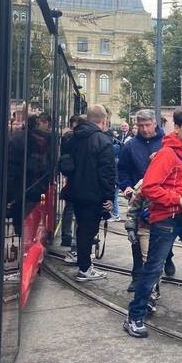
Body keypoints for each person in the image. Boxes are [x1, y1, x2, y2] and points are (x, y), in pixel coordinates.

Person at [124, 110, 182, 337]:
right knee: (153, 268)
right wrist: (178, 199)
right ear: (177, 128)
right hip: (166, 219)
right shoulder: (167, 154)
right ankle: (135, 315)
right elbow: (150, 187)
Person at [66, 105, 116, 281]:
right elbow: (107, 172)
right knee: (88, 231)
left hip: (75, 192)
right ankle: (85, 268)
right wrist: (109, 196)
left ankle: (83, 264)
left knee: (81, 230)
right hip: (94, 195)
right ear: (103, 121)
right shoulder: (103, 141)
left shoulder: (74, 137)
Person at [117, 109, 165, 288]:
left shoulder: (165, 143)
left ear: (155, 123)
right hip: (138, 198)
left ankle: (167, 260)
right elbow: (122, 169)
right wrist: (126, 186)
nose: (144, 129)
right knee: (136, 237)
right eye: (140, 126)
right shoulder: (130, 145)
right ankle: (137, 275)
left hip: (161, 199)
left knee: (162, 236)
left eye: (147, 125)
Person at [61, 114, 81, 263]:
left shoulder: (68, 137)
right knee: (73, 210)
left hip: (71, 182)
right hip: (75, 182)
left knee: (70, 208)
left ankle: (67, 236)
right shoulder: (72, 138)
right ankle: (71, 240)